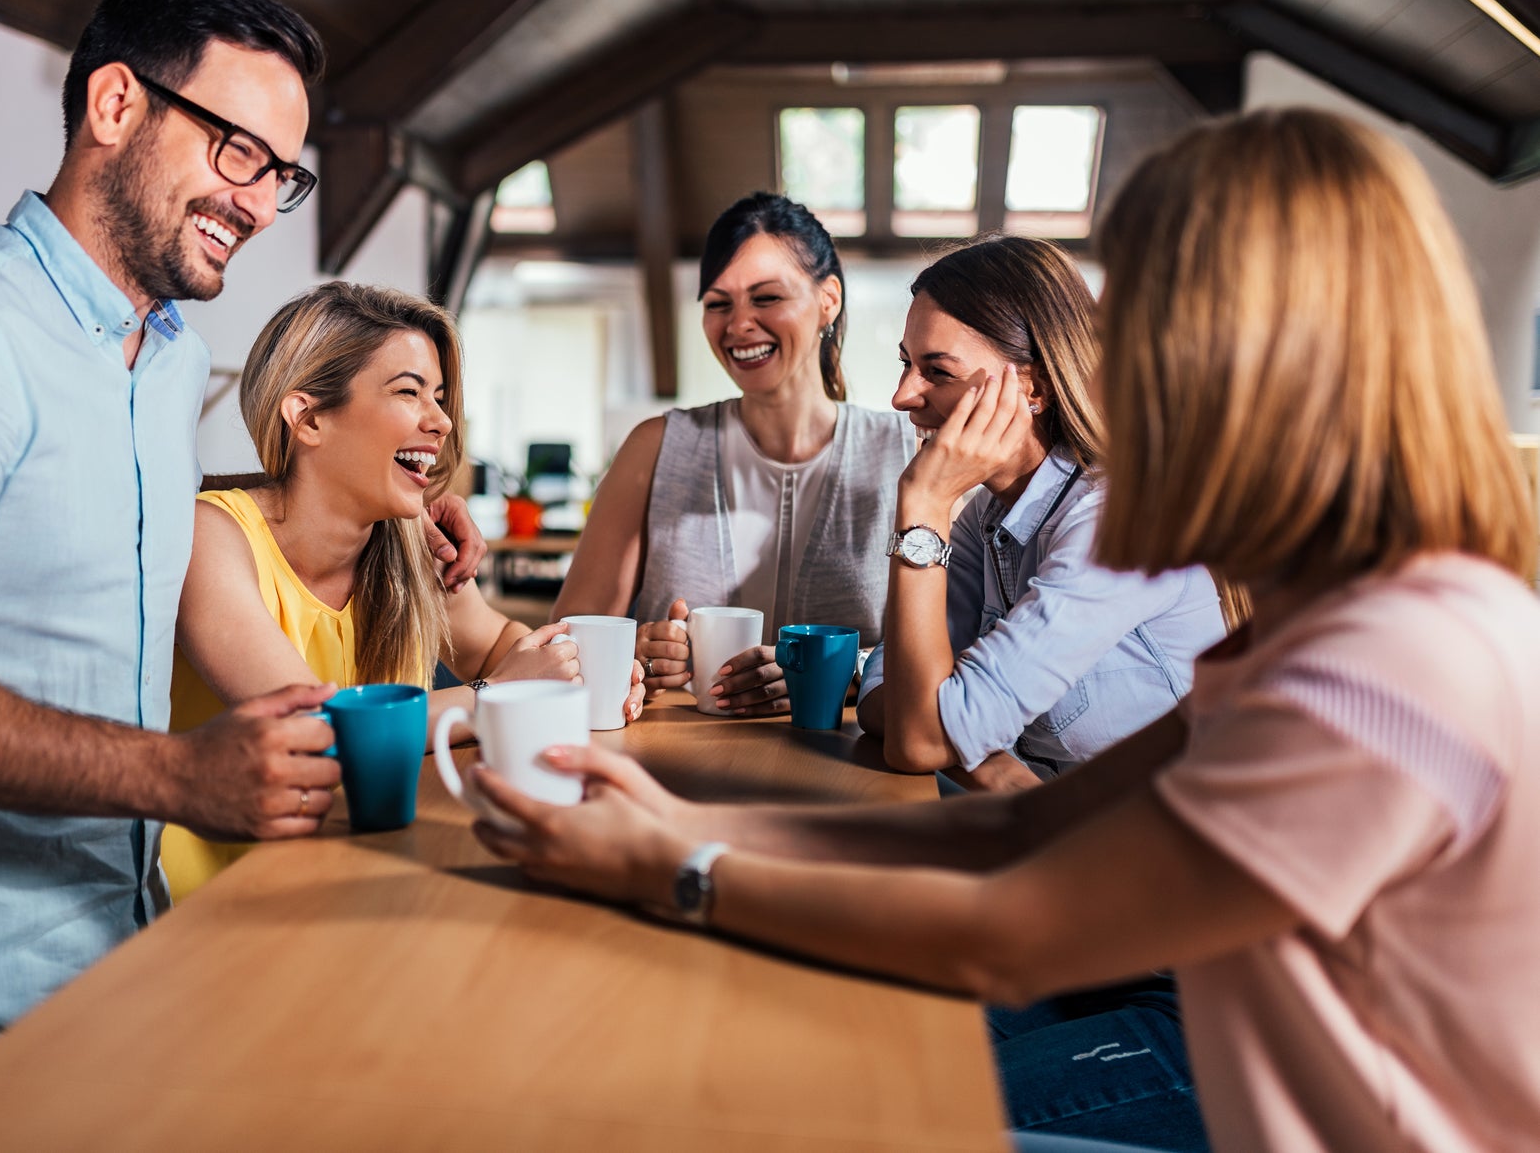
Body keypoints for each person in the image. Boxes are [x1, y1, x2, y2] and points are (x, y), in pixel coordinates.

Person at [466, 108, 1540, 1153]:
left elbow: (1010, 930)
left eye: (1146, 332)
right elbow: (1009, 828)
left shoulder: (1390, 662)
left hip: (1167, 1019)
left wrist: (675, 869)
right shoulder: (1309, 627)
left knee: (828, 1104)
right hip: (1149, 983)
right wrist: (681, 826)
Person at [0, 0, 486, 1150]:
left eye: (280, 176)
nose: (257, 204)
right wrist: (173, 778)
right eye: (238, 152)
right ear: (113, 105)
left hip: (85, 967)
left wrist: (385, 507)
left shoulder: (158, 356)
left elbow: (94, 532)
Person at [164, 281, 644, 897]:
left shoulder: (403, 542)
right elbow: (318, 730)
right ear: (308, 417)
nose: (441, 421)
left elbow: (499, 642)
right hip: (223, 909)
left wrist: (578, 672)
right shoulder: (213, 537)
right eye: (409, 392)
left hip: (362, 876)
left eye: (440, 397)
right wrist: (498, 696)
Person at [859, 236, 1227, 794]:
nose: (902, 395)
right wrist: (990, 763)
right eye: (907, 364)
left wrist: (924, 506)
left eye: (937, 371)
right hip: (1069, 826)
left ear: (1034, 386)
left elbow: (918, 740)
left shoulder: (1121, 523)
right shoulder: (986, 515)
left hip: (1167, 847)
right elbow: (887, 696)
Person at [555, 192, 910, 716]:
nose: (739, 324)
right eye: (719, 303)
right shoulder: (655, 447)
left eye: (766, 298)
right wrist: (634, 653)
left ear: (828, 300)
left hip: (849, 773)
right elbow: (562, 642)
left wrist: (844, 670)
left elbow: (957, 646)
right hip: (669, 776)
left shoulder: (904, 453)